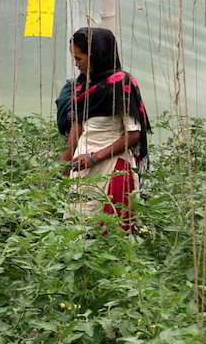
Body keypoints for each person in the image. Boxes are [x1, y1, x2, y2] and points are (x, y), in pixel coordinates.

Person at [60, 26, 150, 233]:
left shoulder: (121, 84)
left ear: (95, 56)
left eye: (79, 58)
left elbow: (134, 135)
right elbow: (78, 127)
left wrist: (94, 157)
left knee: (110, 235)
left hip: (110, 169)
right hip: (83, 170)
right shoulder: (83, 85)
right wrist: (61, 168)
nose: (76, 64)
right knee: (77, 231)